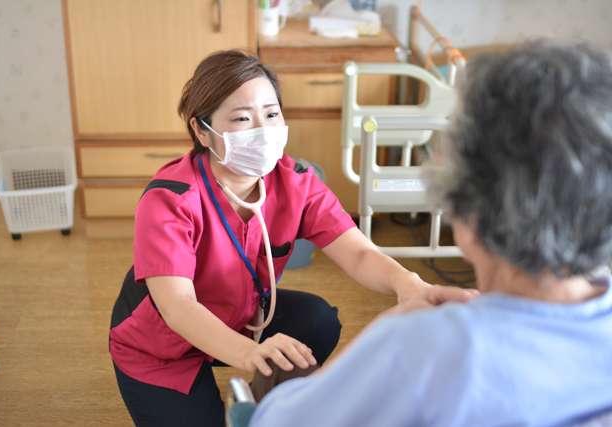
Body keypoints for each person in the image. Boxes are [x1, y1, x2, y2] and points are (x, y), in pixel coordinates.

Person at [248, 39, 612, 427]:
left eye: (271, 114)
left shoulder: (421, 350)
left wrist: (388, 330)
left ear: (469, 215)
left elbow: (275, 422)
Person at [108, 49, 475, 426]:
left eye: (271, 114)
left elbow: (359, 254)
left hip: (240, 319)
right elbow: (177, 306)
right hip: (161, 347)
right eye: (241, 118)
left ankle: (268, 399)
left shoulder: (296, 181)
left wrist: (408, 284)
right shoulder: (169, 198)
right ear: (202, 130)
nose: (263, 130)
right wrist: (250, 354)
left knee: (318, 320)